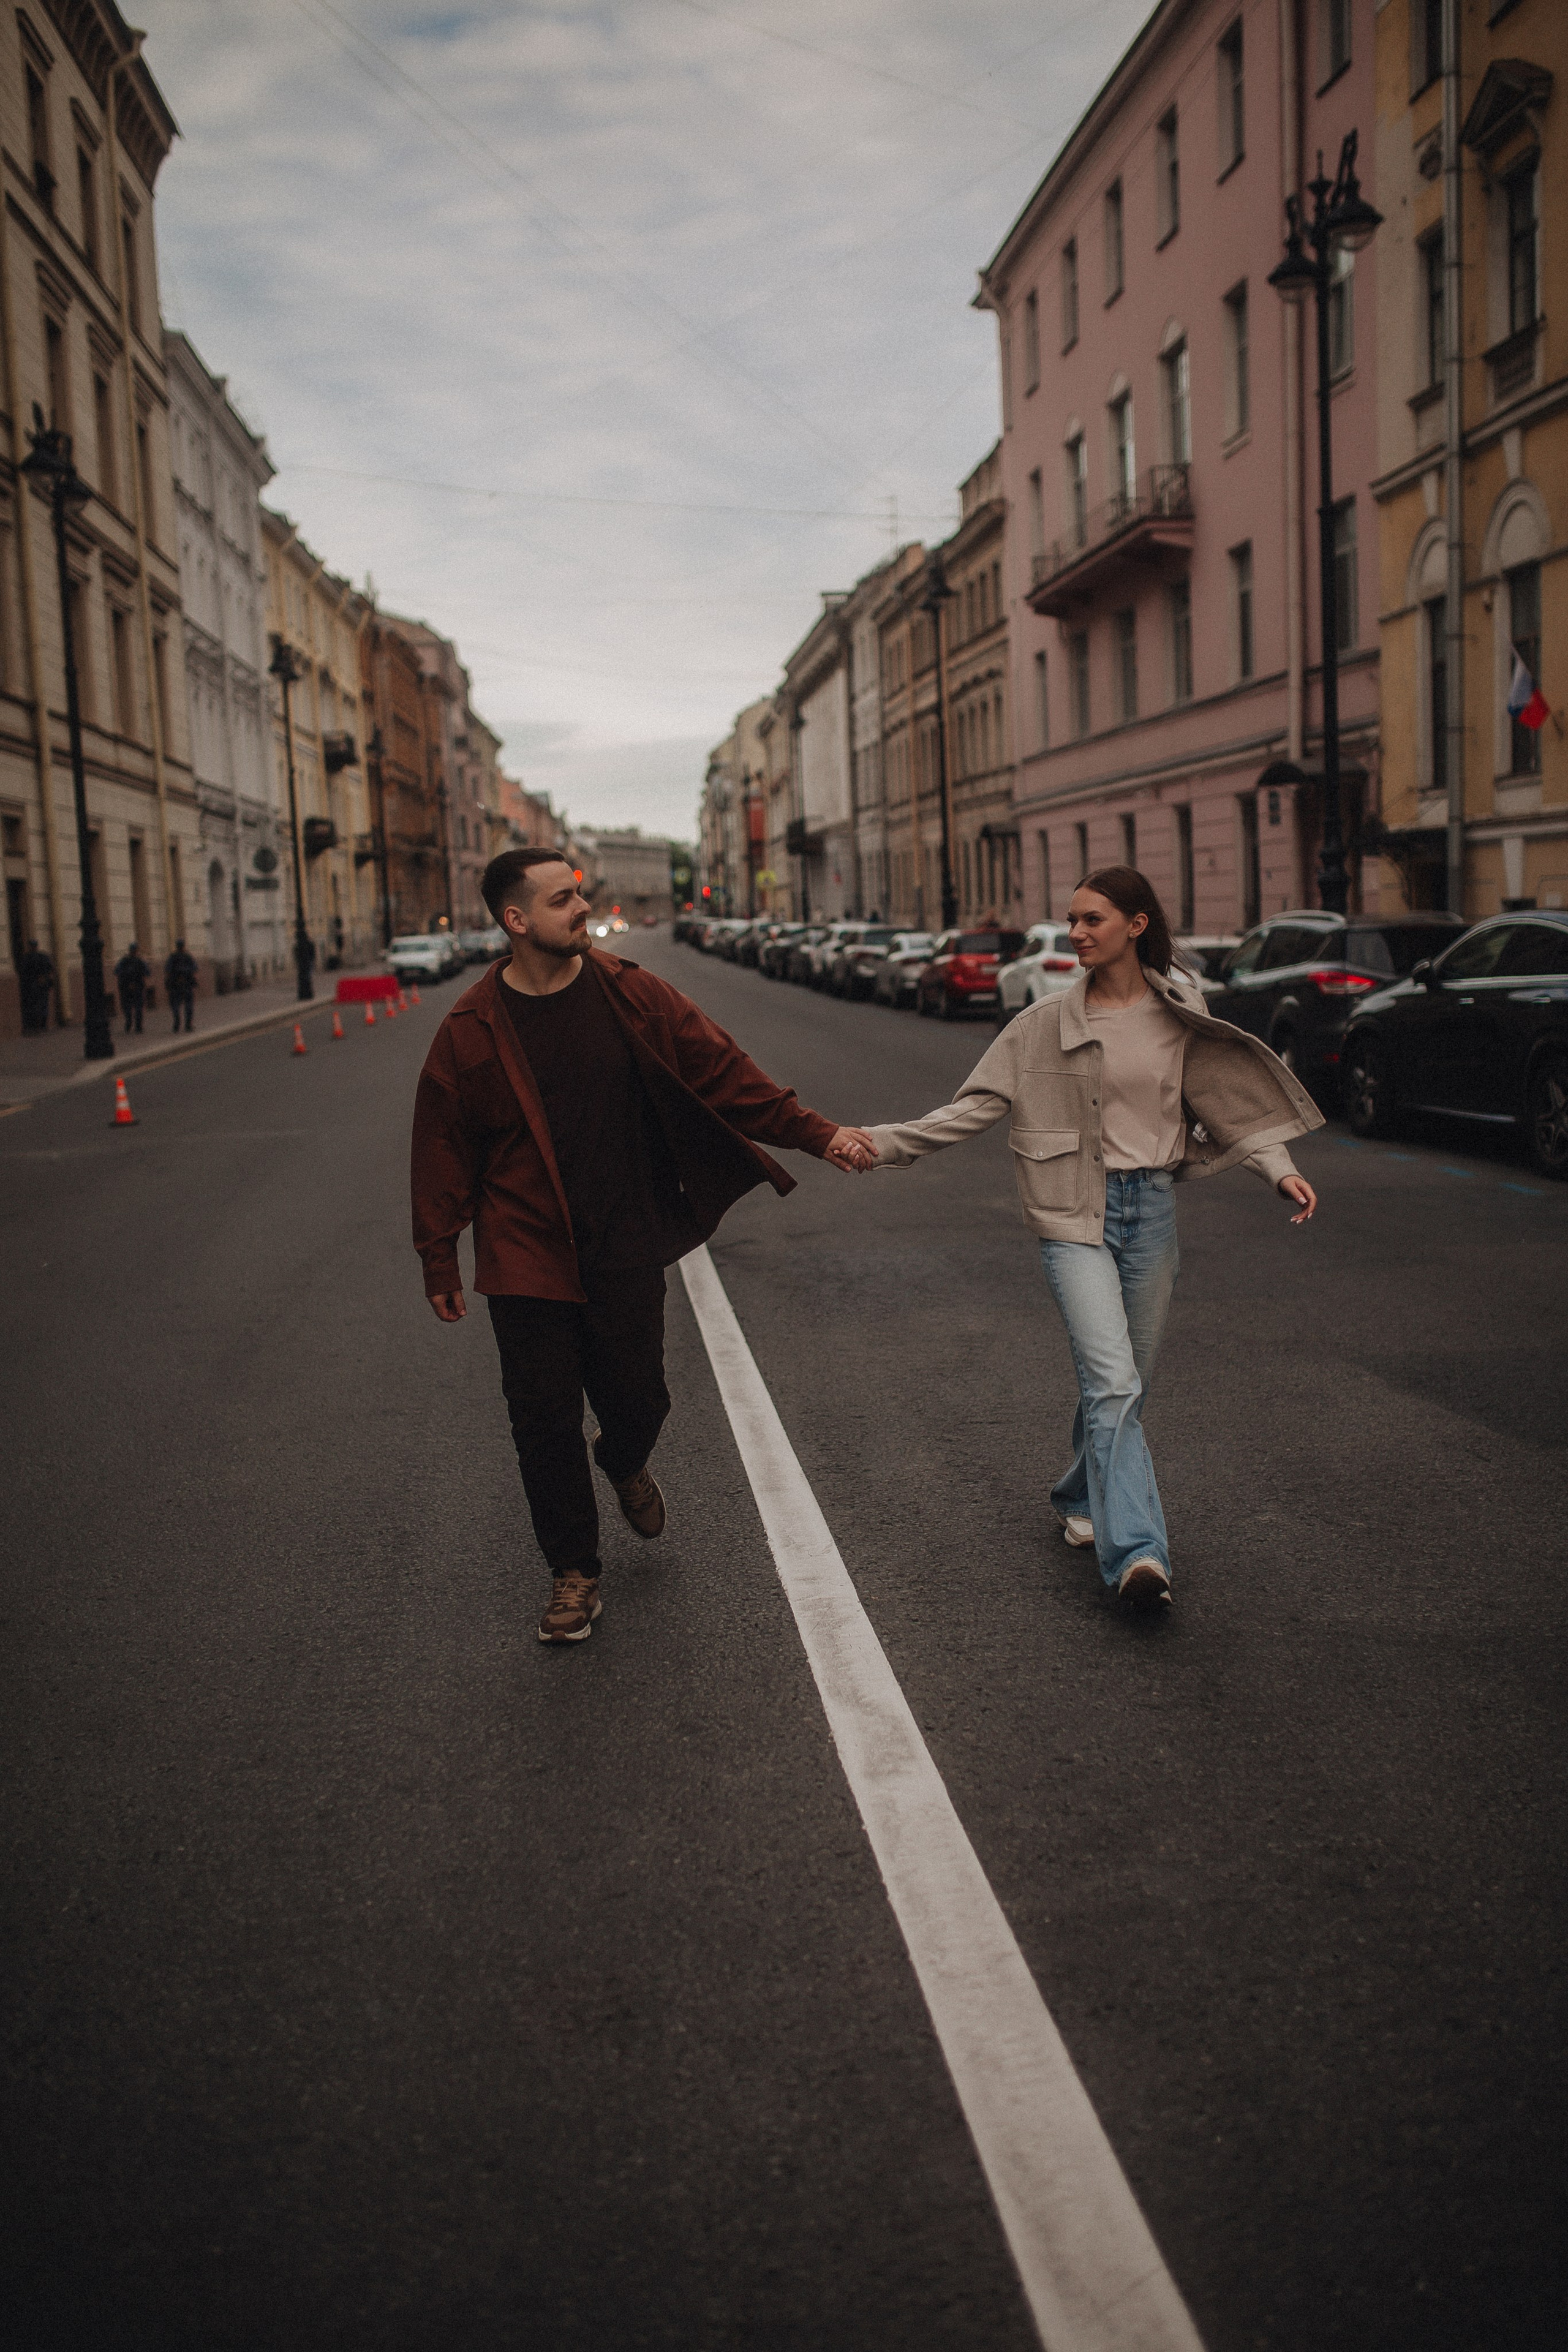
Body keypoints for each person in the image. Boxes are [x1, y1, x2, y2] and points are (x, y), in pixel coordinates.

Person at [411, 846, 875, 1646]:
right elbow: (441, 1145)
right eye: (563, 900)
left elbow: (726, 1073)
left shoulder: (630, 993)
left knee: (638, 1397)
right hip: (525, 1251)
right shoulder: (470, 1029)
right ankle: (573, 1572)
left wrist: (817, 1134)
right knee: (541, 1419)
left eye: (579, 894)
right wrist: (438, 1254)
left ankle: (624, 1458)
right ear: (516, 920)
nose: (582, 909)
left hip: (623, 1236)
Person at [861, 865, 1322, 1610]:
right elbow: (971, 1109)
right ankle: (1138, 1554)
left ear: (1136, 926)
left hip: (1152, 1210)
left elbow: (1222, 1102)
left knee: (1126, 1384)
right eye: (1071, 919)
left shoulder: (1181, 1010)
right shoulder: (1042, 1024)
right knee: (1112, 1383)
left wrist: (1279, 1168)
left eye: (1091, 920)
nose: (1074, 933)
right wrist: (880, 1143)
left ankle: (1080, 1495)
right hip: (1073, 1215)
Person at [18, 940, 54, 1032]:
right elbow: (50, 970)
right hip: (41, 985)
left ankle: (36, 1025)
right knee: (43, 1005)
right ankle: (43, 1025)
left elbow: (24, 972)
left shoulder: (27, 958)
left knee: (35, 1006)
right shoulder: (43, 957)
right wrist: (49, 982)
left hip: (32, 986)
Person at [115, 943, 151, 1035]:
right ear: (137, 950)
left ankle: (129, 1022)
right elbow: (148, 972)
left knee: (127, 1006)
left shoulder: (124, 961)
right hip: (138, 987)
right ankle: (138, 1026)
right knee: (138, 1007)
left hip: (125, 988)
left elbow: (116, 971)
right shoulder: (140, 961)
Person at [164, 940, 198, 1033]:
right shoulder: (188, 957)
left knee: (175, 1005)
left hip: (175, 985)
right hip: (187, 984)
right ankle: (188, 1025)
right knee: (189, 1005)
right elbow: (195, 968)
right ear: (183, 946)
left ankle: (177, 1022)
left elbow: (167, 970)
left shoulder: (172, 957)